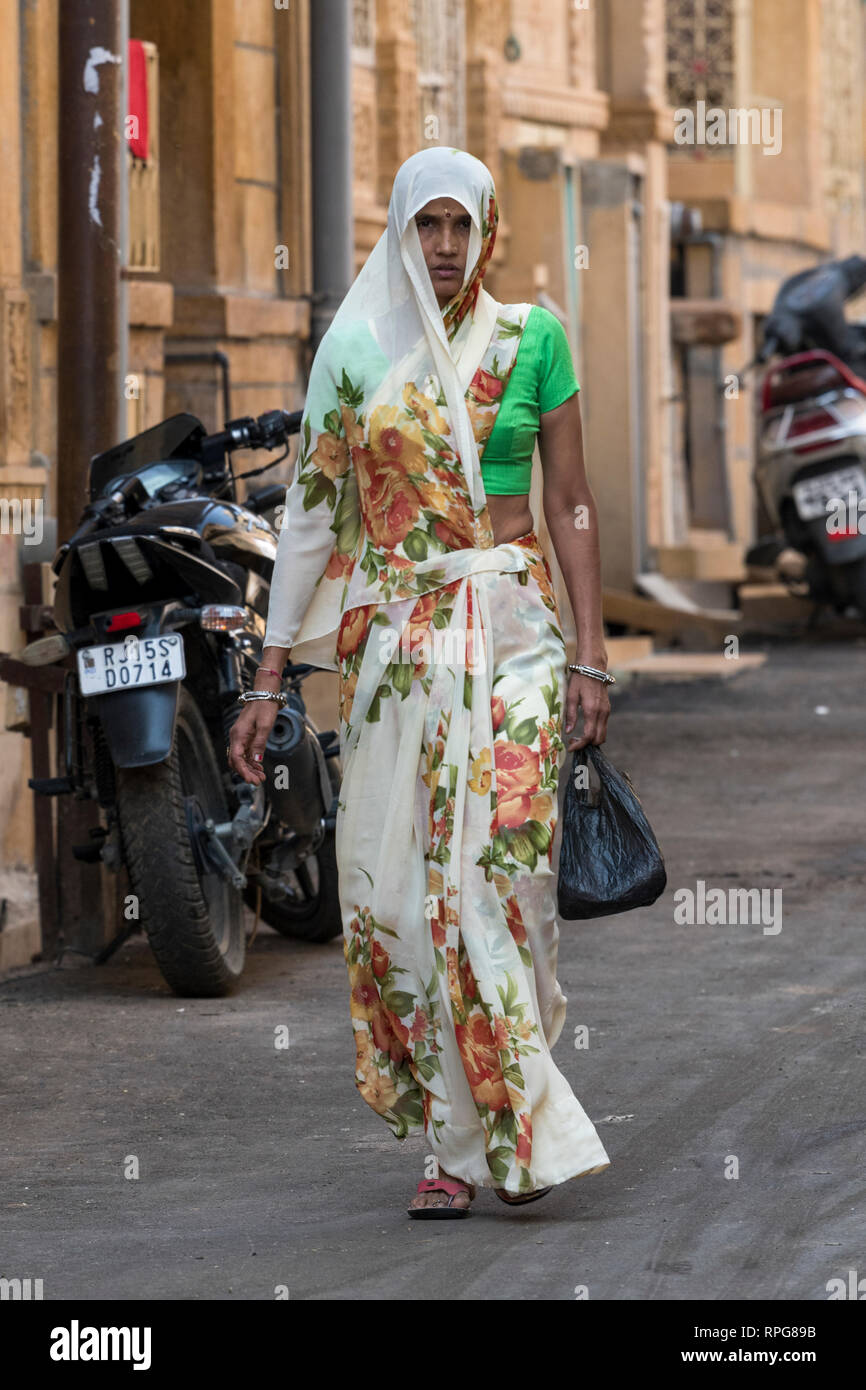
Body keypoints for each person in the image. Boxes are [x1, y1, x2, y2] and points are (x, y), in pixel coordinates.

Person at [228, 146, 612, 1219]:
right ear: (400, 231)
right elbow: (310, 514)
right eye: (425, 225)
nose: (444, 246)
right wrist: (269, 676)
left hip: (515, 634)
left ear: (488, 230)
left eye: (461, 225)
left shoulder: (533, 338)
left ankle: (511, 1113)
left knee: (507, 882)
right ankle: (452, 1140)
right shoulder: (357, 352)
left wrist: (589, 650)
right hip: (402, 647)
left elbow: (571, 503)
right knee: (397, 895)